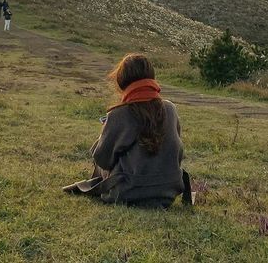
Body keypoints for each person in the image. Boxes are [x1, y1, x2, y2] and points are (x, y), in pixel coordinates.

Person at [63, 53, 189, 208]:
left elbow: (103, 159)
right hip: (168, 192)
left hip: (127, 193)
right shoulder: (170, 109)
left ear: (122, 81)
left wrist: (105, 133)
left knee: (106, 160)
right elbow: (178, 154)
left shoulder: (119, 114)